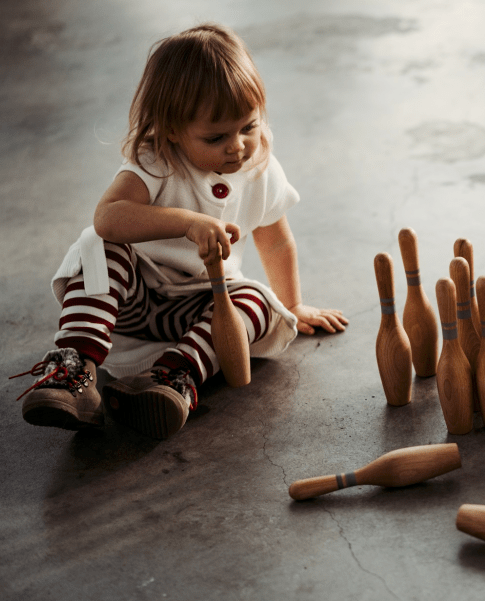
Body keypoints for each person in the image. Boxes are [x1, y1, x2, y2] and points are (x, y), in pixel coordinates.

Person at [10, 24, 348, 439]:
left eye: (249, 127)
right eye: (215, 136)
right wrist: (188, 222)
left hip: (198, 312)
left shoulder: (260, 167)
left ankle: (172, 378)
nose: (237, 146)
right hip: (131, 304)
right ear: (172, 129)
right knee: (98, 246)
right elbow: (108, 216)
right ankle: (74, 371)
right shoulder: (157, 160)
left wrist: (294, 306)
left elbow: (276, 239)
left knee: (258, 299)